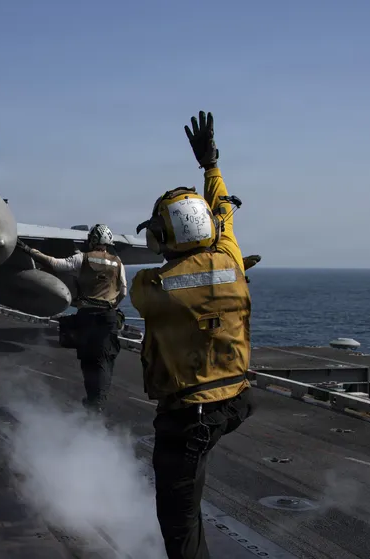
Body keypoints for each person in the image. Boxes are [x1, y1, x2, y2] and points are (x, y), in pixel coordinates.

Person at [131, 111, 255, 559]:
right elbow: (223, 212)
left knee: (179, 522)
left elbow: (170, 277)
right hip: (235, 402)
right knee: (189, 504)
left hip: (190, 417)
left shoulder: (151, 286)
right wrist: (211, 165)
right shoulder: (231, 258)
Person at [16, 224, 127, 414]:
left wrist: (28, 250)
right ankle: (98, 400)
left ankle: (94, 400)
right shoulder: (118, 262)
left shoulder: (82, 258)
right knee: (106, 358)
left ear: (92, 240)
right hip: (108, 317)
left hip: (87, 316)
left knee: (88, 359)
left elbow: (54, 263)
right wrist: (112, 304)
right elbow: (123, 290)